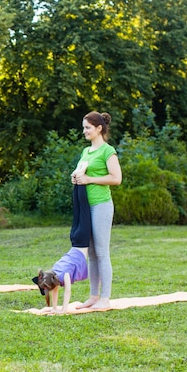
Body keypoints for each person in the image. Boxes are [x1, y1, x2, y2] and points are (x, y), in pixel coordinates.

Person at [73, 112, 122, 310]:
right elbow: (82, 173)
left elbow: (116, 178)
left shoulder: (107, 151)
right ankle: (93, 296)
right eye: (84, 127)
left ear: (99, 128)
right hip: (86, 206)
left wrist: (90, 180)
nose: (84, 131)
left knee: (102, 252)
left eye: (88, 128)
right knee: (91, 253)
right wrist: (76, 178)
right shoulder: (86, 152)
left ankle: (105, 298)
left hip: (101, 205)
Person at [32, 163, 91, 313]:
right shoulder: (53, 272)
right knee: (77, 208)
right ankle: (77, 178)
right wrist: (53, 309)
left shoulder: (62, 276)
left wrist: (63, 310)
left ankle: (80, 176)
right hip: (74, 238)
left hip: (82, 239)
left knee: (82, 207)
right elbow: (56, 291)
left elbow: (67, 293)